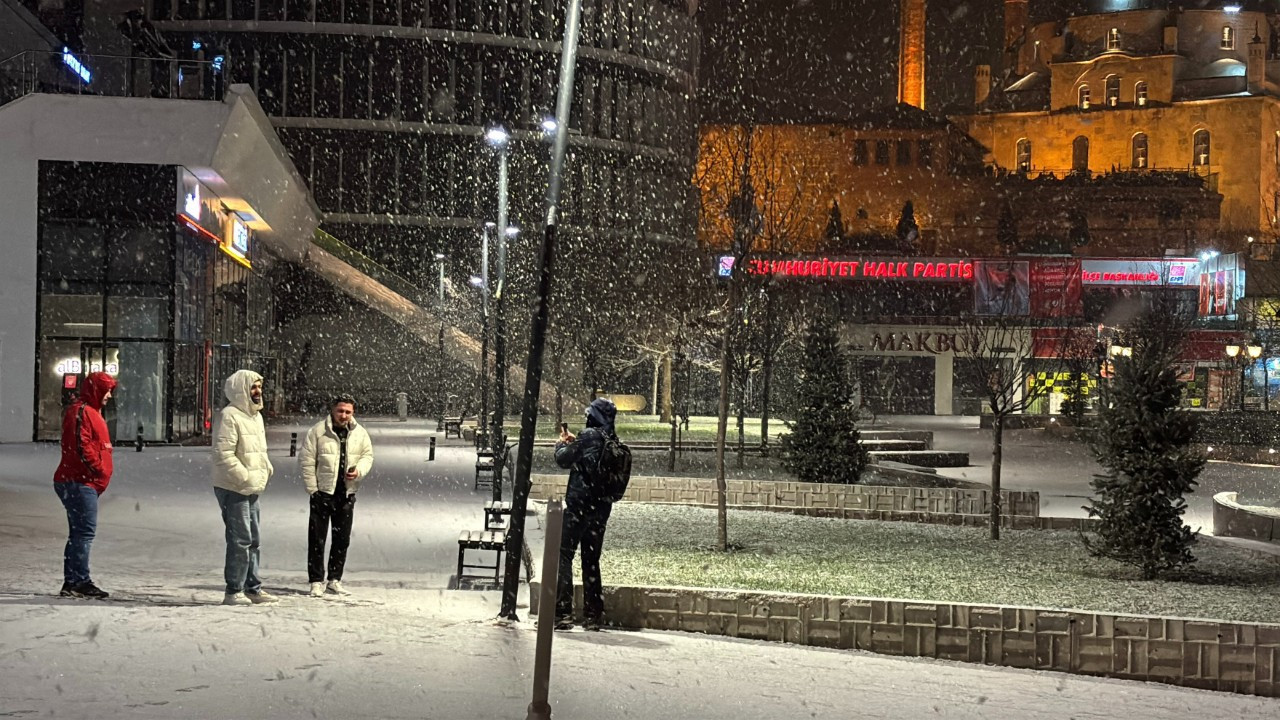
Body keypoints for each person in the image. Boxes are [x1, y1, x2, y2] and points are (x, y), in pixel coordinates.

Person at [553, 397, 621, 631]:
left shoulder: (588, 436)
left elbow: (563, 459)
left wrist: (561, 444)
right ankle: (593, 614)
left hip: (579, 507)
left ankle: (562, 613)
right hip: (600, 509)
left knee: (564, 554)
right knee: (591, 560)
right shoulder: (611, 439)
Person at [212, 369, 277, 606]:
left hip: (251, 486)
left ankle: (253, 587)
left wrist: (265, 467)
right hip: (233, 487)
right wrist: (244, 476)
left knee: (254, 539)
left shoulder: (255, 416)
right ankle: (234, 589)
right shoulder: (229, 416)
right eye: (253, 387)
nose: (258, 391)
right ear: (241, 389)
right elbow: (224, 454)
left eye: (259, 386)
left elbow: (258, 450)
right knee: (240, 539)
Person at [299, 395, 374, 597]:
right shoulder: (317, 432)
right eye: (340, 411)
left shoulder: (360, 434)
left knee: (342, 540)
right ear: (333, 410)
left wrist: (358, 471)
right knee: (317, 539)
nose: (344, 415)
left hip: (346, 494)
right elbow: (307, 462)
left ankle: (334, 579)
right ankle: (316, 580)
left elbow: (368, 456)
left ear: (353, 413)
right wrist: (313, 490)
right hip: (322, 493)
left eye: (348, 412)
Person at [53, 371, 118, 599]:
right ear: (95, 390)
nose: (109, 395)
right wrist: (98, 469)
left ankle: (73, 581)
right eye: (106, 390)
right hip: (79, 482)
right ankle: (78, 581)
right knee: (83, 533)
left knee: (79, 533)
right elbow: (80, 446)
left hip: (82, 482)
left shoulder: (89, 412)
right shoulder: (81, 412)